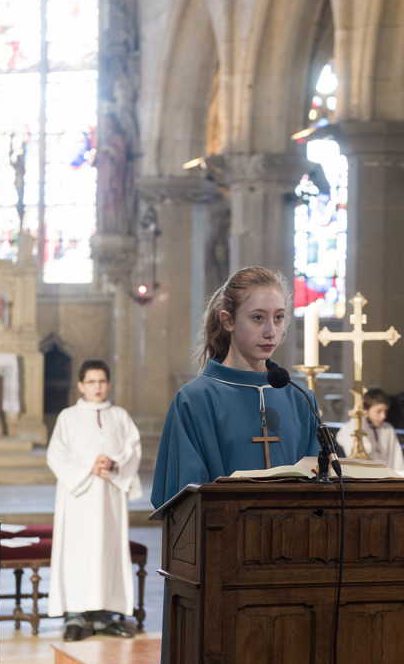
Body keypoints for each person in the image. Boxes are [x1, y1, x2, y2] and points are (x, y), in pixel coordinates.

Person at [151, 267, 319, 506]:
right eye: (258, 318)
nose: (271, 331)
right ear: (228, 320)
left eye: (279, 317)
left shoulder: (299, 398)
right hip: (223, 538)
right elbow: (181, 500)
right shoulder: (195, 399)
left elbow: (320, 488)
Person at [47, 359, 142, 641]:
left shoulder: (120, 416)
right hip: (79, 495)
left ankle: (103, 616)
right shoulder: (68, 417)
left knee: (107, 552)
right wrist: (90, 466)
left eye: (101, 382)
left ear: (108, 384)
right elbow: (56, 454)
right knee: (78, 553)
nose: (97, 387)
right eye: (91, 382)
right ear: (80, 386)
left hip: (109, 494)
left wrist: (113, 464)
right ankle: (75, 616)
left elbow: (133, 449)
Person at [336, 386, 404, 471]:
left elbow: (397, 458)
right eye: (379, 411)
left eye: (385, 411)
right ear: (366, 409)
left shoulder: (388, 429)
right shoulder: (351, 428)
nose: (383, 416)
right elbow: (352, 455)